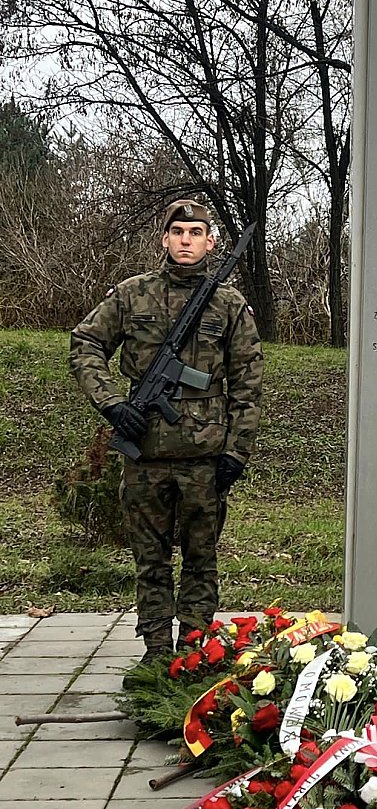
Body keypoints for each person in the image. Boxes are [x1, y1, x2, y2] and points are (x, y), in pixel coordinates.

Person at [70, 200, 264, 662]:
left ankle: (193, 653)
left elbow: (248, 383)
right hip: (145, 454)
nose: (185, 240)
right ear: (164, 239)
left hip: (205, 459)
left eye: (195, 232)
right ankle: (157, 654)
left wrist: (236, 453)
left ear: (210, 241)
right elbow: (85, 342)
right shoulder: (133, 295)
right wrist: (113, 405)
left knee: (201, 562)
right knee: (150, 563)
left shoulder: (229, 303)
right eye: (177, 231)